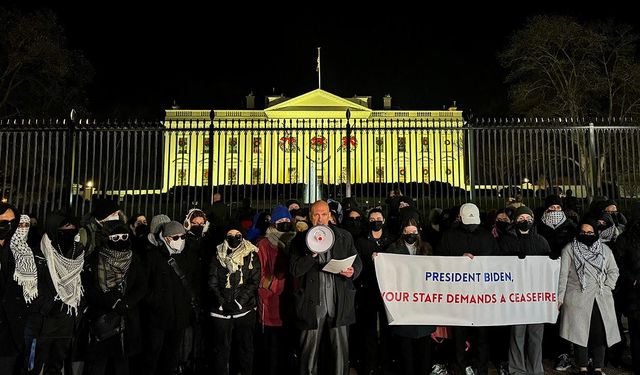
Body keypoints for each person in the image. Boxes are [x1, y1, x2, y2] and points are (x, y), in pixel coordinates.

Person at [290, 200, 362, 375]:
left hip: (339, 302)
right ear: (310, 217)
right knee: (308, 352)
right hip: (312, 303)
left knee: (340, 352)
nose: (320, 218)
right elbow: (294, 270)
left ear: (330, 216)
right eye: (316, 214)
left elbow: (357, 262)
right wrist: (311, 253)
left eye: (324, 214)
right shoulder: (300, 240)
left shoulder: (344, 236)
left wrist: (352, 271)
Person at [438, 203, 498, 375]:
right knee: (460, 335)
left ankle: (479, 368)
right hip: (460, 295)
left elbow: (498, 262)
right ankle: (461, 368)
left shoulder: (487, 236)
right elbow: (439, 260)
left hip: (480, 295)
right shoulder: (449, 236)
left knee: (480, 336)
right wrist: (458, 259)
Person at [557, 219, 621, 375]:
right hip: (577, 298)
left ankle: (598, 367)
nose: (586, 235)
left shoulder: (605, 250)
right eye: (583, 232)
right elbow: (563, 275)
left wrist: (607, 286)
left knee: (600, 333)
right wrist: (560, 298)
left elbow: (614, 271)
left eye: (590, 232)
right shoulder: (569, 249)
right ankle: (583, 367)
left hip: (601, 298)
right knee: (580, 334)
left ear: (596, 233)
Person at [26, 211, 85, 375]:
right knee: (36, 367)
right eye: (65, 227)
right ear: (54, 228)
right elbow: (31, 287)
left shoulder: (78, 252)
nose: (70, 230)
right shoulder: (38, 253)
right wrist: (48, 305)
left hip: (67, 322)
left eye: (73, 227)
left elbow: (82, 285)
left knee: (56, 366)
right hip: (45, 322)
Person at [83, 224, 147, 375]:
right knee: (98, 364)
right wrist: (111, 301)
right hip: (103, 319)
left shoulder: (134, 258)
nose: (121, 240)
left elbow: (141, 285)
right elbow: (89, 287)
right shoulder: (95, 258)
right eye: (115, 238)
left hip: (126, 319)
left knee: (122, 364)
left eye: (124, 237)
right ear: (107, 239)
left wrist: (125, 303)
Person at [498, 206, 550, 375]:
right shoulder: (507, 240)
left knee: (536, 335)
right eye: (521, 218)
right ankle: (517, 369)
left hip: (537, 296)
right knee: (517, 334)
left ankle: (536, 369)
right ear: (515, 221)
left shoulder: (541, 240)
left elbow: (549, 268)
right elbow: (499, 266)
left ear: (533, 219)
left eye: (527, 217)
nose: (524, 221)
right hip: (517, 295)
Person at [209, 225, 260, 375]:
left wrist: (238, 302)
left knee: (245, 349)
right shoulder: (217, 254)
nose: (234, 238)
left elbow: (254, 281)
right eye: (230, 234)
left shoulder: (251, 255)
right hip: (221, 312)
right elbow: (212, 281)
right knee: (221, 350)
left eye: (237, 234)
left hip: (244, 311)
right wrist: (223, 302)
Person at [386, 218, 435, 375]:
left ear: (418, 232)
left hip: (423, 306)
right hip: (403, 306)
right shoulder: (393, 249)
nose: (411, 234)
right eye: (407, 232)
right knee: (405, 349)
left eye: (414, 232)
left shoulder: (426, 248)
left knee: (424, 349)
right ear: (402, 232)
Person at [255, 205, 295, 375]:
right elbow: (260, 275)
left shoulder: (295, 240)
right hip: (271, 303)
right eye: (280, 221)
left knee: (288, 348)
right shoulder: (263, 244)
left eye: (287, 220)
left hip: (291, 302)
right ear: (273, 223)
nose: (284, 223)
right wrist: (276, 283)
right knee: (271, 350)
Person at [0, 203, 25, 374]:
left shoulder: (20, 251)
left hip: (10, 333)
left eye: (12, 222)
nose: (8, 227)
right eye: (3, 222)